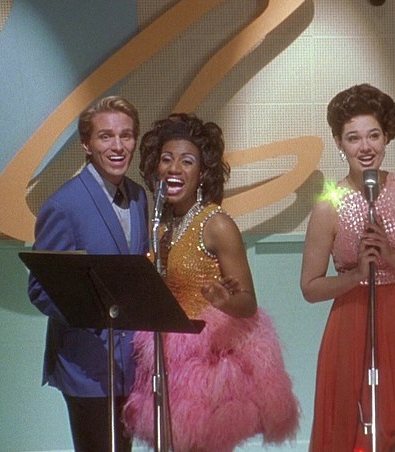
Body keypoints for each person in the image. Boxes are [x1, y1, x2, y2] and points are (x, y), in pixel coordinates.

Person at [122, 113, 299, 451]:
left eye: (187, 161)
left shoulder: (216, 225)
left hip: (206, 370)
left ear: (202, 173)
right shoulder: (161, 225)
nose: (174, 168)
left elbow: (247, 302)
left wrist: (223, 301)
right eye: (166, 159)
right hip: (165, 363)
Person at [300, 83, 395, 451]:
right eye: (354, 138)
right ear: (339, 142)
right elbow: (310, 287)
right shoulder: (328, 204)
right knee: (356, 431)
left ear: (386, 137)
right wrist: (356, 276)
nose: (365, 147)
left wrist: (392, 257)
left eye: (373, 135)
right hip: (352, 324)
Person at [27, 95, 147, 451]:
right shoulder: (64, 205)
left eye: (126, 135)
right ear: (86, 144)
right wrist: (92, 316)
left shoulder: (139, 197)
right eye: (105, 136)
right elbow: (40, 288)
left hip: (131, 367)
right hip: (87, 367)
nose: (118, 146)